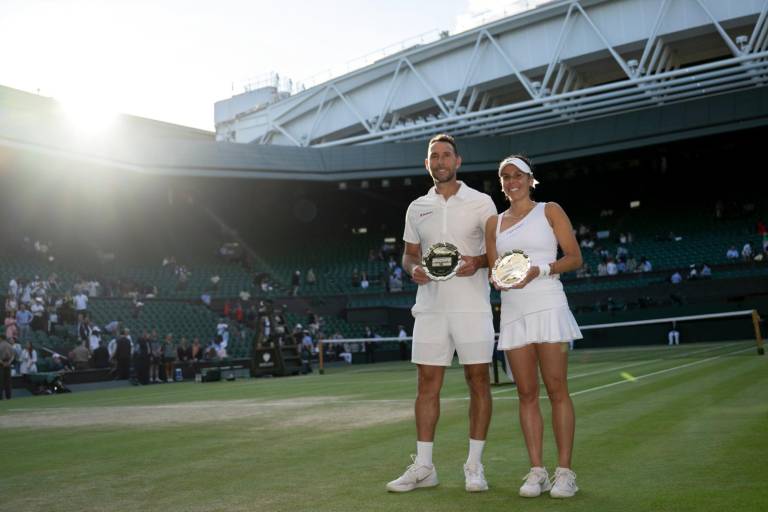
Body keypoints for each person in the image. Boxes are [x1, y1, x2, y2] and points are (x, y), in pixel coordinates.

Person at [387, 134, 496, 493]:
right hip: (431, 308)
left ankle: (474, 465)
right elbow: (409, 254)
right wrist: (412, 268)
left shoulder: (482, 203)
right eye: (434, 156)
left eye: (446, 155)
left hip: (472, 307)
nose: (441, 161)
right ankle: (424, 467)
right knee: (426, 385)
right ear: (427, 163)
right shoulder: (416, 207)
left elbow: (496, 255)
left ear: (458, 161)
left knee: (479, 381)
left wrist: (476, 262)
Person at [485, 155, 583, 499]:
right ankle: (537, 471)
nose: (511, 181)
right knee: (525, 393)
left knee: (557, 389)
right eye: (505, 177)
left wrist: (538, 271)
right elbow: (494, 270)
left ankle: (565, 473)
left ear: (530, 180)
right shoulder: (493, 224)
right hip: (514, 312)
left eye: (517, 175)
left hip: (548, 305)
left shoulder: (550, 210)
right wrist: (498, 279)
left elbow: (574, 257)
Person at [0, 334, 15, 399]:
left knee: (1, 381)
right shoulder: (10, 345)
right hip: (8, 364)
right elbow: (13, 356)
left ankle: (0, 397)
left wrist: (2, 363)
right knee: (8, 381)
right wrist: (9, 362)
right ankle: (8, 396)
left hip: (1, 364)